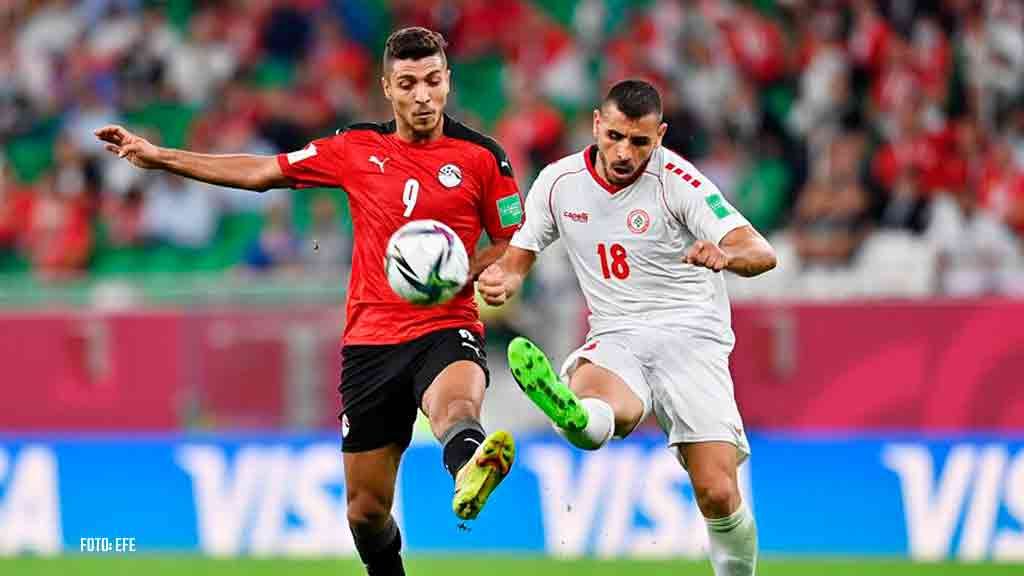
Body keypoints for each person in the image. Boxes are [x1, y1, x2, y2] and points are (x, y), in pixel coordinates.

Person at [97, 27, 520, 576]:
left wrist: (485, 272)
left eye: (433, 81)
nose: (423, 96)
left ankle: (469, 465)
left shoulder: (483, 157)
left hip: (446, 324)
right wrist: (160, 158)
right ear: (387, 87)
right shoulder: (354, 148)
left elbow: (511, 240)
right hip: (370, 343)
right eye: (409, 83)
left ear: (448, 83)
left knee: (457, 408)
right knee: (366, 513)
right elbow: (261, 172)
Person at [478, 80, 776, 576]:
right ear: (596, 123)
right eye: (614, 135)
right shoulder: (558, 182)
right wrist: (505, 279)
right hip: (617, 334)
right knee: (599, 415)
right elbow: (517, 259)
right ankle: (574, 413)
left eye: (639, 142)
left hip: (691, 339)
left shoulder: (678, 181)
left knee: (718, 492)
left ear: (659, 135)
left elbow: (761, 252)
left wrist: (724, 255)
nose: (623, 152)